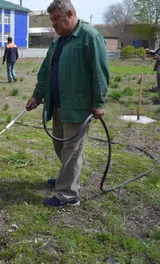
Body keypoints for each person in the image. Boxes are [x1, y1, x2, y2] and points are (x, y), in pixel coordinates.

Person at [25, 0, 109, 207]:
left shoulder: (89, 36)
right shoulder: (58, 41)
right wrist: (37, 96)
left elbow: (99, 71)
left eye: (56, 19)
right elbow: (46, 71)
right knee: (60, 146)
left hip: (77, 107)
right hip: (57, 105)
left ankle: (68, 195)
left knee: (71, 151)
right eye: (51, 20)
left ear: (69, 14)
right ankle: (67, 178)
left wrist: (98, 102)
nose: (53, 24)